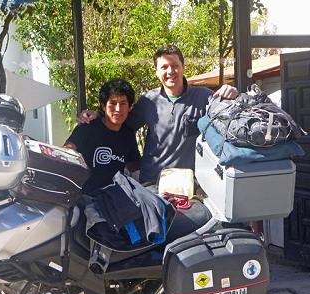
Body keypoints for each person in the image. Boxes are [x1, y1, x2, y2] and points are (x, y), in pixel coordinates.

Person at [80, 44, 238, 184]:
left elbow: (228, 117)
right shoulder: (148, 100)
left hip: (186, 184)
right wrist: (98, 116)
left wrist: (233, 93)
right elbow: (120, 123)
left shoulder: (204, 97)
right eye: (164, 67)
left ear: (183, 67)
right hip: (150, 182)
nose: (170, 71)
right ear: (156, 71)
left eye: (174, 65)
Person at [64, 78, 140, 193]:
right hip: (84, 199)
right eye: (113, 104)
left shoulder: (128, 134)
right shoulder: (87, 127)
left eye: (123, 104)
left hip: (114, 200)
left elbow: (134, 166)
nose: (118, 109)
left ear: (130, 107)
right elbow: (66, 153)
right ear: (103, 106)